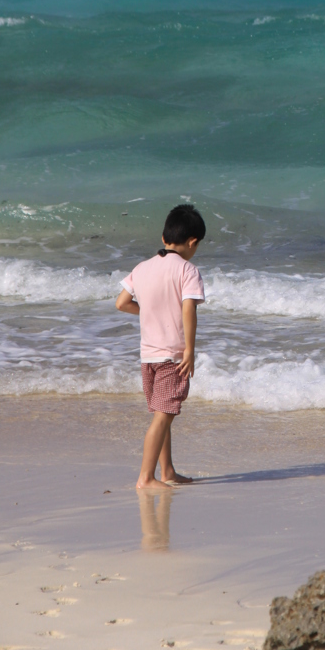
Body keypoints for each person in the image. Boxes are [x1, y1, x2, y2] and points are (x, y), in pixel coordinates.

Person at [115, 204, 206, 489]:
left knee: (161, 414)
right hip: (171, 356)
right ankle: (146, 477)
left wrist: (150, 310)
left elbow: (121, 303)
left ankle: (166, 471)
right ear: (192, 242)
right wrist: (190, 350)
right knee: (162, 417)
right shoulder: (187, 269)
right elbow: (188, 309)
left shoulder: (142, 268)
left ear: (164, 236)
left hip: (148, 357)